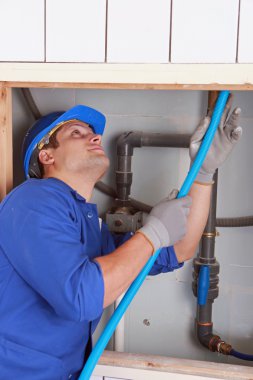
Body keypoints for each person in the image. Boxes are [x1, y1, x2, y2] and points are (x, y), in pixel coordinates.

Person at [0, 96, 242, 379]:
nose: (94, 136)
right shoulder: (32, 200)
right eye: (76, 133)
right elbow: (80, 297)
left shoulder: (90, 227)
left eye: (93, 132)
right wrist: (152, 235)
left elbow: (180, 247)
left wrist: (203, 174)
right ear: (46, 156)